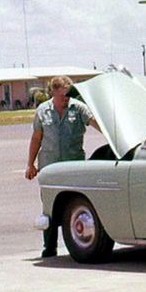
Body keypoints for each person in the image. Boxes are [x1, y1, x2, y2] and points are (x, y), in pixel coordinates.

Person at [26, 76, 100, 257]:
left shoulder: (79, 108)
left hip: (73, 166)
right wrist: (30, 164)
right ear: (53, 93)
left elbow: (96, 123)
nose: (66, 99)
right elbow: (36, 138)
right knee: (50, 208)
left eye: (68, 95)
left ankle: (78, 240)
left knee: (75, 204)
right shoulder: (43, 111)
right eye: (62, 96)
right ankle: (49, 247)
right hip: (50, 168)